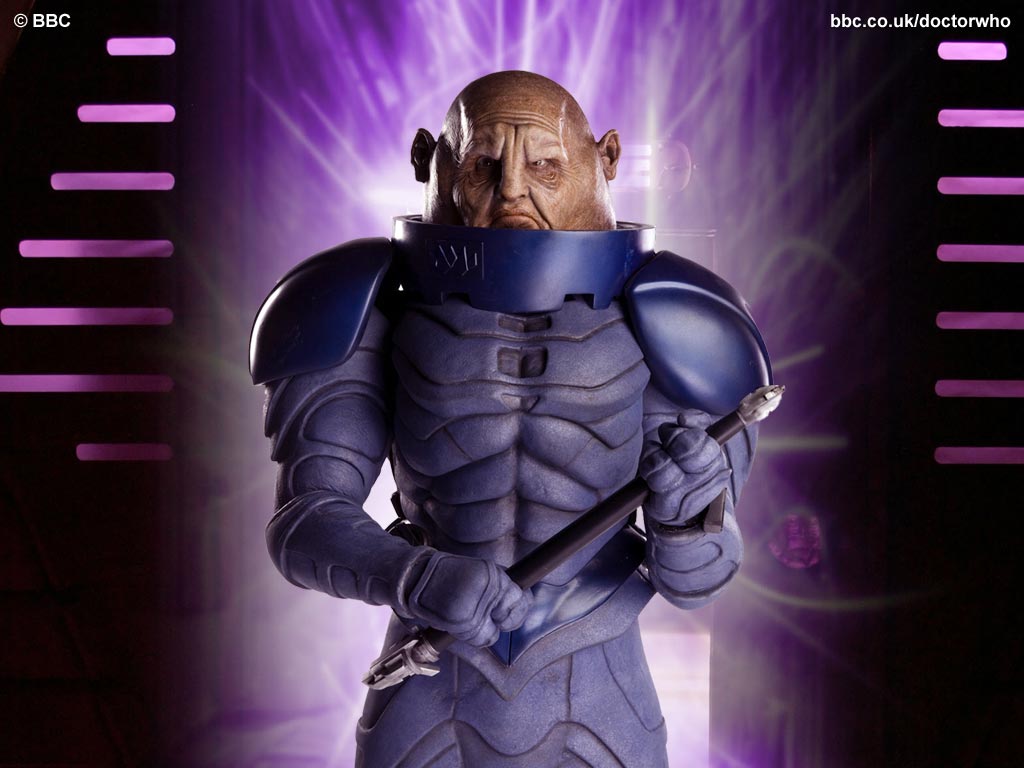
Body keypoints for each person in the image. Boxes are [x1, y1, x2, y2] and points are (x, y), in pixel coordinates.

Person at [250, 70, 769, 767]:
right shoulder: (359, 301)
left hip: (597, 683)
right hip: (431, 681)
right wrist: (413, 577)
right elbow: (303, 523)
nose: (513, 192)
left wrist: (685, 514)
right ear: (431, 163)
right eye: (483, 166)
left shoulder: (681, 316)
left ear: (606, 159)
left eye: (546, 164)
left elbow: (700, 576)